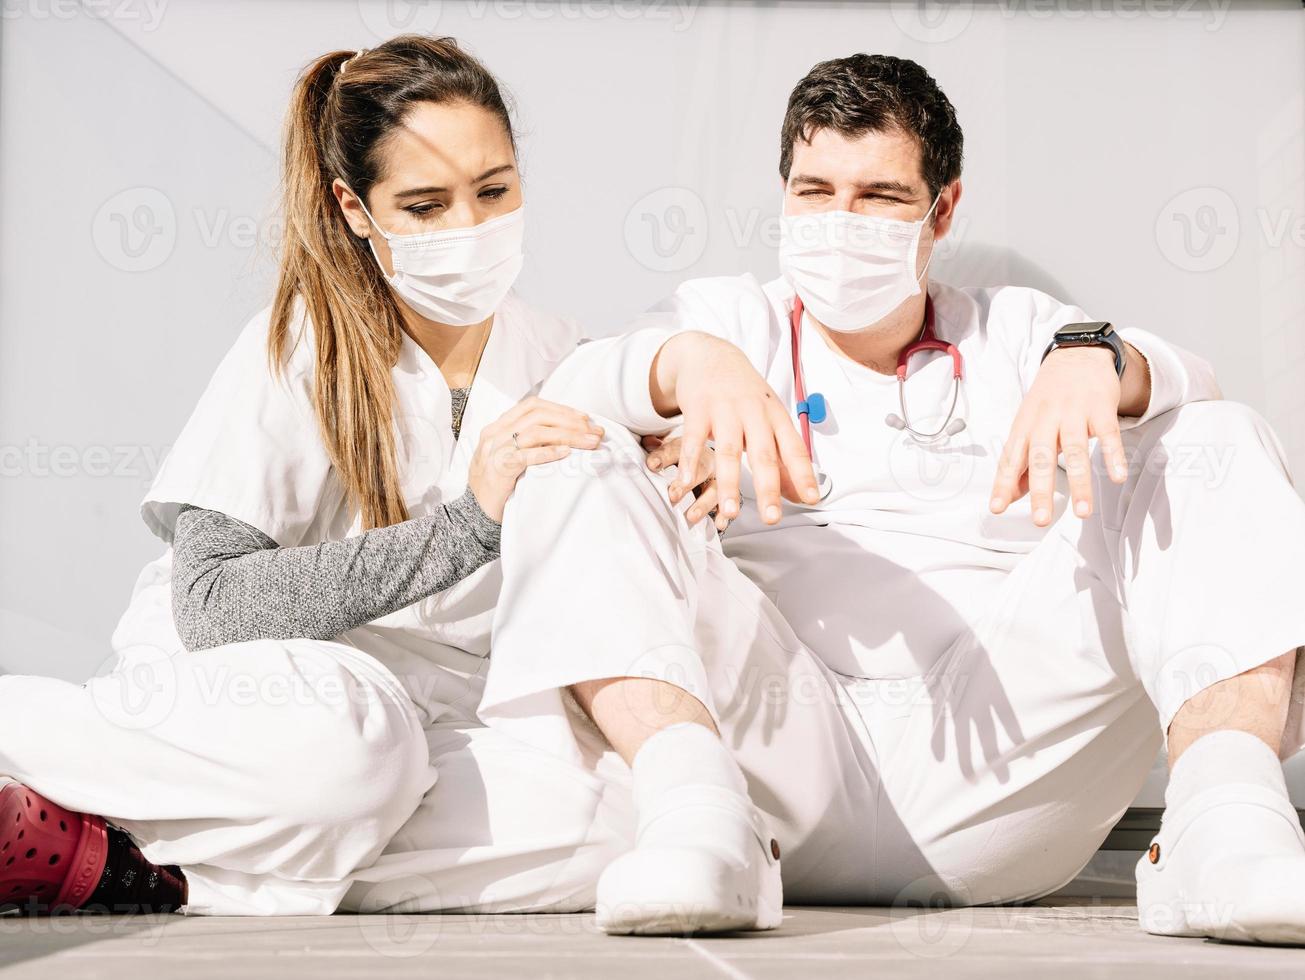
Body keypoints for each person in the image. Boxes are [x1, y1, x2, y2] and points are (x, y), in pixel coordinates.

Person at [476, 54, 1305, 941]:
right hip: (775, 758)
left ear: (941, 208)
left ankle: (1224, 826)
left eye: (877, 196)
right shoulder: (722, 318)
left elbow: (1193, 380)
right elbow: (574, 388)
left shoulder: (1017, 329)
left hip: (1004, 760)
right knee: (573, 451)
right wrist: (687, 363)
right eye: (813, 191)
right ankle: (690, 817)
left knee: (1211, 437)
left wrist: (1097, 358)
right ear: (782, 194)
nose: (839, 222)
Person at [0, 35, 619, 916]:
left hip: (436, 724)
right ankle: (37, 750)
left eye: (494, 191)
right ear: (355, 207)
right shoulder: (300, 347)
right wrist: (466, 525)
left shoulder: (562, 355)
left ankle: (141, 865)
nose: (470, 230)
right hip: (280, 701)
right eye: (425, 204)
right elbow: (214, 604)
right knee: (356, 748)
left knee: (612, 824)